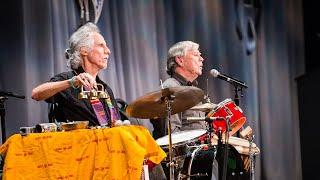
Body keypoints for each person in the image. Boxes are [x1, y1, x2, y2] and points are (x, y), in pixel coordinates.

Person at [31, 22, 122, 126]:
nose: (108, 51)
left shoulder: (105, 89)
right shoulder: (69, 79)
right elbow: (36, 94)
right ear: (84, 50)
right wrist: (71, 82)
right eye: (101, 45)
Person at [151, 41, 206, 139]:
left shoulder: (192, 89)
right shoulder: (171, 88)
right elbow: (173, 135)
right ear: (180, 61)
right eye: (196, 55)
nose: (201, 59)